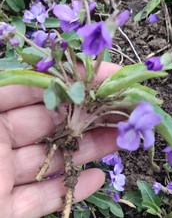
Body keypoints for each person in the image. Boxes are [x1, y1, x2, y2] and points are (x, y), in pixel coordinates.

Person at [0, 62, 121, 217]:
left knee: (66, 169)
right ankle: (47, 175)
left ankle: (53, 184)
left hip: (73, 128)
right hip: (67, 129)